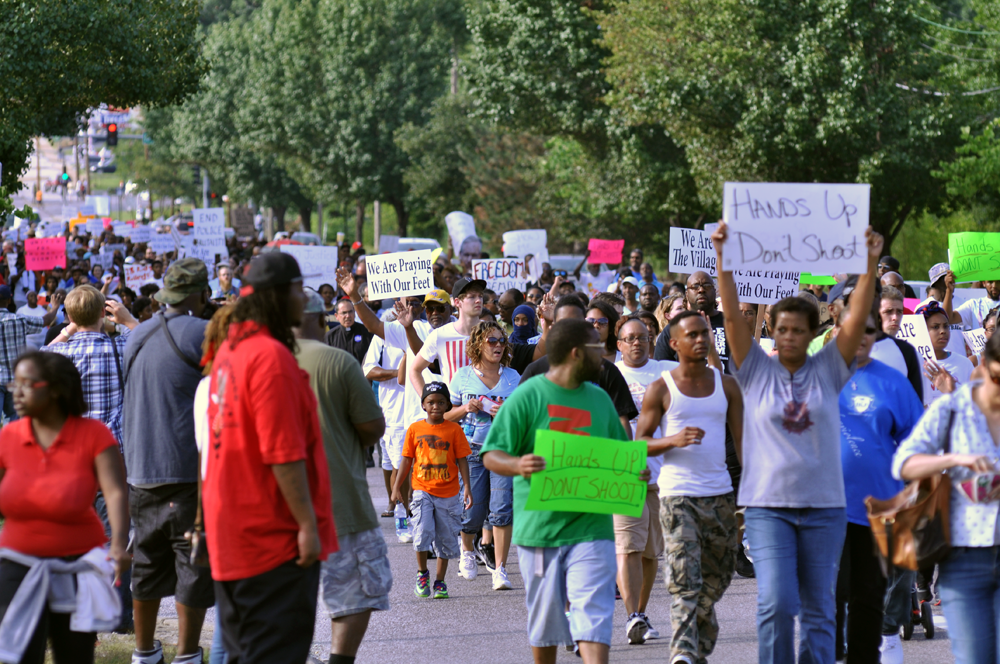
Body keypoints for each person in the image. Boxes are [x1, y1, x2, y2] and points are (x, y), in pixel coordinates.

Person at [711, 220, 883, 664]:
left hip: (825, 508)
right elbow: (731, 317)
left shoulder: (828, 369)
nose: (789, 336)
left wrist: (868, 264)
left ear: (813, 334)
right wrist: (724, 259)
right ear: (772, 329)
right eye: (782, 329)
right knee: (776, 605)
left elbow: (858, 316)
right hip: (769, 508)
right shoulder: (755, 370)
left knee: (819, 609)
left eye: (798, 330)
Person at [204, 252, 337, 662]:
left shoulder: (231, 350)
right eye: (299, 288)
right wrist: (306, 526)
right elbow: (282, 453)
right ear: (279, 295)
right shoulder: (269, 357)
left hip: (235, 534)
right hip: (272, 537)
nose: (305, 296)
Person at [482, 318, 638, 664]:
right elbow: (492, 454)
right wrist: (518, 465)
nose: (604, 355)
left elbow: (617, 454)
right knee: (546, 620)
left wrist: (630, 470)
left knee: (594, 616)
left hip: (593, 529)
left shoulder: (599, 398)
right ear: (575, 353)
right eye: (597, 349)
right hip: (540, 532)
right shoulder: (527, 396)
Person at [0, 352, 130, 664]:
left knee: (74, 656)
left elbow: (115, 492)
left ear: (55, 389)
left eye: (26, 384)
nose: (15, 392)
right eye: (13, 384)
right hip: (16, 564)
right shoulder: (8, 436)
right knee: (15, 656)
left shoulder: (93, 434)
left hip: (77, 566)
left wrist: (117, 546)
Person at [634, 311, 743, 664]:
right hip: (678, 495)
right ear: (675, 343)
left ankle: (698, 639)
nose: (700, 339)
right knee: (684, 578)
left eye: (704, 333)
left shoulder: (726, 385)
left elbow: (745, 447)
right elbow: (640, 442)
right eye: (692, 335)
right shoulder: (661, 387)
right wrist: (674, 440)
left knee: (718, 575)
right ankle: (682, 651)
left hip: (721, 494)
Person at [122, 258, 215, 664]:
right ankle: (187, 654)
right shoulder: (204, 333)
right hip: (186, 472)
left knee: (145, 564)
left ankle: (144, 653)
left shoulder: (136, 334)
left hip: (140, 471)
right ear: (199, 293)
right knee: (192, 564)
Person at [294, 290, 390, 664]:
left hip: (274, 507)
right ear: (322, 321)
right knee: (355, 593)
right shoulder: (337, 361)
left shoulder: (251, 362)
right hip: (338, 501)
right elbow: (371, 427)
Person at [892, 332, 1000, 664]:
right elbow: (904, 464)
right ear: (983, 366)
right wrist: (953, 461)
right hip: (965, 559)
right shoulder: (956, 406)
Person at [831, 309, 923, 664]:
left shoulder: (893, 382)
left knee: (868, 596)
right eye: (855, 328)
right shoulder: (817, 376)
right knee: (831, 594)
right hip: (827, 506)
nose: (863, 336)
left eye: (870, 330)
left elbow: (918, 440)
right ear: (838, 328)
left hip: (877, 509)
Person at [613, 316, 678, 645]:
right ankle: (632, 615)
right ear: (619, 344)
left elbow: (713, 373)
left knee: (652, 552)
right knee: (628, 549)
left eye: (643, 337)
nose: (637, 343)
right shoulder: (610, 375)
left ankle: (640, 611)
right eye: (630, 338)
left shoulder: (666, 370)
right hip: (622, 475)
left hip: (661, 474)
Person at [446, 322, 520, 590]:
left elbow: (525, 416)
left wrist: (508, 413)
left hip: (504, 450)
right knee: (473, 514)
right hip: (472, 453)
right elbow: (444, 416)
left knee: (501, 510)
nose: (498, 345)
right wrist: (466, 407)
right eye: (492, 341)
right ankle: (466, 550)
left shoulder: (513, 377)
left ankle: (500, 569)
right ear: (478, 344)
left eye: (501, 341)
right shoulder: (462, 377)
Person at [391, 382, 472, 600]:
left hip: (448, 493)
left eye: (441, 402)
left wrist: (467, 489)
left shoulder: (454, 430)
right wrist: (396, 487)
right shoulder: (415, 429)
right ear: (423, 405)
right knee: (421, 532)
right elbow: (406, 461)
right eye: (431, 402)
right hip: (422, 490)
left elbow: (462, 459)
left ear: (447, 405)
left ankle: (440, 582)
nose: (436, 406)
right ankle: (422, 574)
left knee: (445, 539)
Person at [520, 295, 638, 438]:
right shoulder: (534, 372)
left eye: (576, 323)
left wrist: (623, 456)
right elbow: (515, 428)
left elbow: (622, 423)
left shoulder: (606, 373)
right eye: (565, 323)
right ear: (553, 326)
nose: (570, 329)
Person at [363, 323, 407, 518]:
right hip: (391, 410)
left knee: (403, 464)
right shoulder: (383, 336)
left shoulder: (425, 328)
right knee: (389, 462)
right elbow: (369, 371)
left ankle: (405, 510)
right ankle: (395, 505)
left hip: (417, 409)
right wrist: (398, 373)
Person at [0, 285, 62, 421]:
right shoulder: (20, 320)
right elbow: (46, 320)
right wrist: (55, 307)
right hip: (14, 381)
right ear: (9, 301)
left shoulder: (20, 318)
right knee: (16, 424)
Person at [870, 285, 924, 401]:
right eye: (888, 312)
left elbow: (917, 405)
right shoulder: (858, 349)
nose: (895, 317)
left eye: (899, 312)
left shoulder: (909, 353)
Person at [917, 301, 975, 407]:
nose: (943, 331)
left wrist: (951, 392)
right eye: (935, 327)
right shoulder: (913, 364)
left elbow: (973, 407)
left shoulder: (964, 364)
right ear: (921, 330)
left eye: (946, 326)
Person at [325, 299, 373, 365]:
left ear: (355, 313)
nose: (348, 316)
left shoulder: (367, 332)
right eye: (344, 313)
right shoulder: (330, 336)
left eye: (350, 312)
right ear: (336, 316)